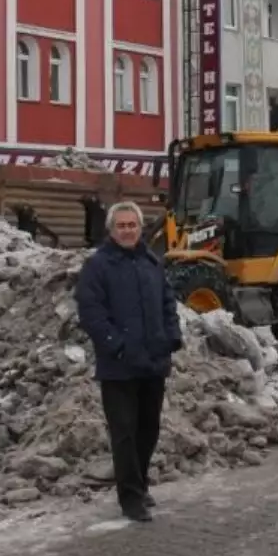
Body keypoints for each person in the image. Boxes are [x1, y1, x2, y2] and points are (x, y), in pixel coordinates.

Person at [74, 201, 183, 522]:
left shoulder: (152, 263)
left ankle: (141, 484)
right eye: (120, 226)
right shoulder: (98, 266)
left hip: (153, 362)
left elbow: (168, 302)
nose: (127, 230)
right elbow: (91, 313)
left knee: (148, 430)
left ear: (139, 228)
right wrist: (116, 346)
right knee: (124, 433)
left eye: (131, 225)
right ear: (111, 230)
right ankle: (130, 499)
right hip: (119, 367)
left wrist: (171, 337)